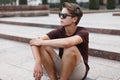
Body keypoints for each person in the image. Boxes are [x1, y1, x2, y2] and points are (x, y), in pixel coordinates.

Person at [30, 2, 89, 80]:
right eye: (60, 15)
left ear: (74, 19)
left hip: (78, 72)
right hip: (64, 67)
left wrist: (42, 42)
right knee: (43, 46)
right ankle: (53, 78)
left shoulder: (83, 32)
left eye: (64, 16)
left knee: (70, 49)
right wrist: (38, 62)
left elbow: (67, 43)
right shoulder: (60, 31)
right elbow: (33, 42)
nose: (61, 17)